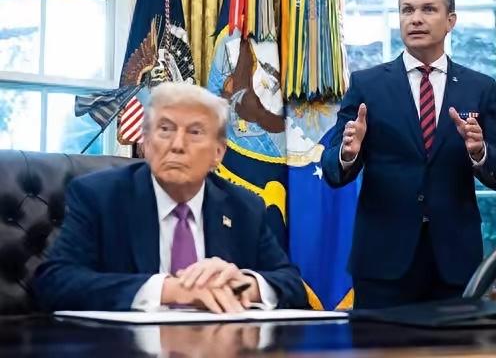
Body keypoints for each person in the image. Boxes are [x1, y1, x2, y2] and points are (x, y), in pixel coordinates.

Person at [321, 0, 496, 309]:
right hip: (382, 264)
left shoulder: (479, 87)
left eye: (428, 9)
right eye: (407, 10)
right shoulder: (367, 84)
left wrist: (480, 152)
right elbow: (331, 170)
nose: (415, 19)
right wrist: (348, 154)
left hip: (455, 265)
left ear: (450, 20)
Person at [34, 82, 308, 312]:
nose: (177, 145)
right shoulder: (100, 197)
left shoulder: (244, 207)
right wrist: (170, 290)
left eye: (195, 132)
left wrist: (241, 285)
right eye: (165, 129)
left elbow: (291, 284)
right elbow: (54, 283)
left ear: (218, 153)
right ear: (146, 142)